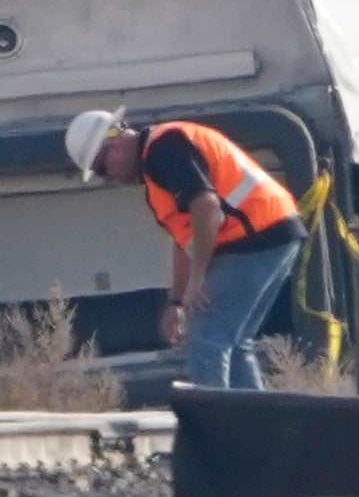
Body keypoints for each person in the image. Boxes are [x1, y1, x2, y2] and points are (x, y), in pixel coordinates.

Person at [65, 109, 304, 389]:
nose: (108, 178)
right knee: (234, 342)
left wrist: (198, 277)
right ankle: (251, 427)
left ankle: (215, 426)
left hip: (255, 235)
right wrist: (176, 301)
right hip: (271, 230)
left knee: (207, 337)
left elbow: (206, 206)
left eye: (101, 170)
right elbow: (185, 240)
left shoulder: (163, 149)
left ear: (113, 146)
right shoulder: (157, 168)